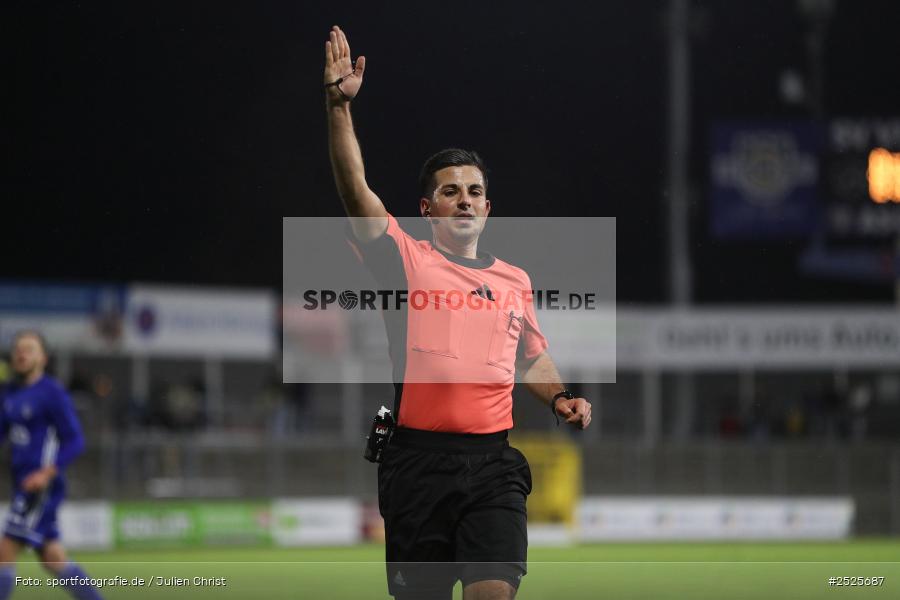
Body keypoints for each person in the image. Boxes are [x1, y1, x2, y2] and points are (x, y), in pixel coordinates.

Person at [324, 26, 592, 600]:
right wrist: (338, 109)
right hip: (416, 467)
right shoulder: (405, 262)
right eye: (450, 191)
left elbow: (534, 357)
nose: (464, 199)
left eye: (474, 191)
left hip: (492, 465)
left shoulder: (515, 280)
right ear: (427, 209)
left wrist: (562, 397)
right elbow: (356, 195)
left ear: (489, 208)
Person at [0, 331, 103, 600]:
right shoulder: (9, 392)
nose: (21, 354)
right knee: (53, 557)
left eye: (29, 349)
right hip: (21, 481)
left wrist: (46, 473)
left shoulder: (52, 392)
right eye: (18, 349)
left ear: (43, 358)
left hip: (40, 486)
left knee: (5, 550)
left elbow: (75, 440)